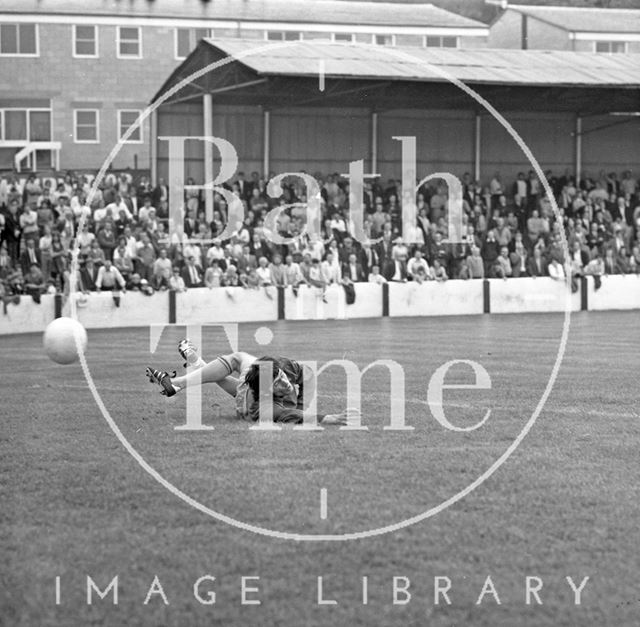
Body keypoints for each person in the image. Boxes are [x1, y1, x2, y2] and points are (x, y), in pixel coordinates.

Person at [146, 341, 357, 426]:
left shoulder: (282, 367)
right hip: (246, 406)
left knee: (238, 357)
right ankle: (188, 373)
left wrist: (302, 404)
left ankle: (182, 378)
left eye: (282, 378)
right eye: (278, 383)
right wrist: (327, 418)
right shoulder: (264, 406)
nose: (285, 383)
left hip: (250, 393)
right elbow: (293, 416)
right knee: (239, 364)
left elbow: (309, 375)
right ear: (266, 392)